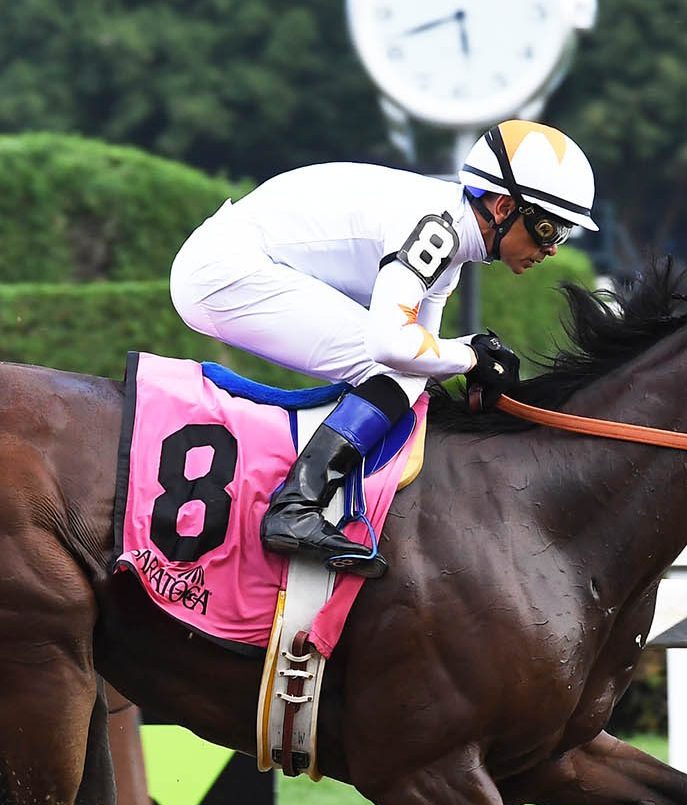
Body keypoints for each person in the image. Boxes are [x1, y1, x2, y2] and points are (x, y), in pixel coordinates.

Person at [170, 119, 597, 578]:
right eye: (550, 229)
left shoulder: (449, 247)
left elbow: (424, 359)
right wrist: (471, 355)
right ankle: (295, 506)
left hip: (233, 263)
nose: (552, 249)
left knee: (408, 376)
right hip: (226, 271)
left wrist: (467, 371)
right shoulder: (439, 230)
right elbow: (393, 346)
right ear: (504, 206)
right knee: (397, 367)